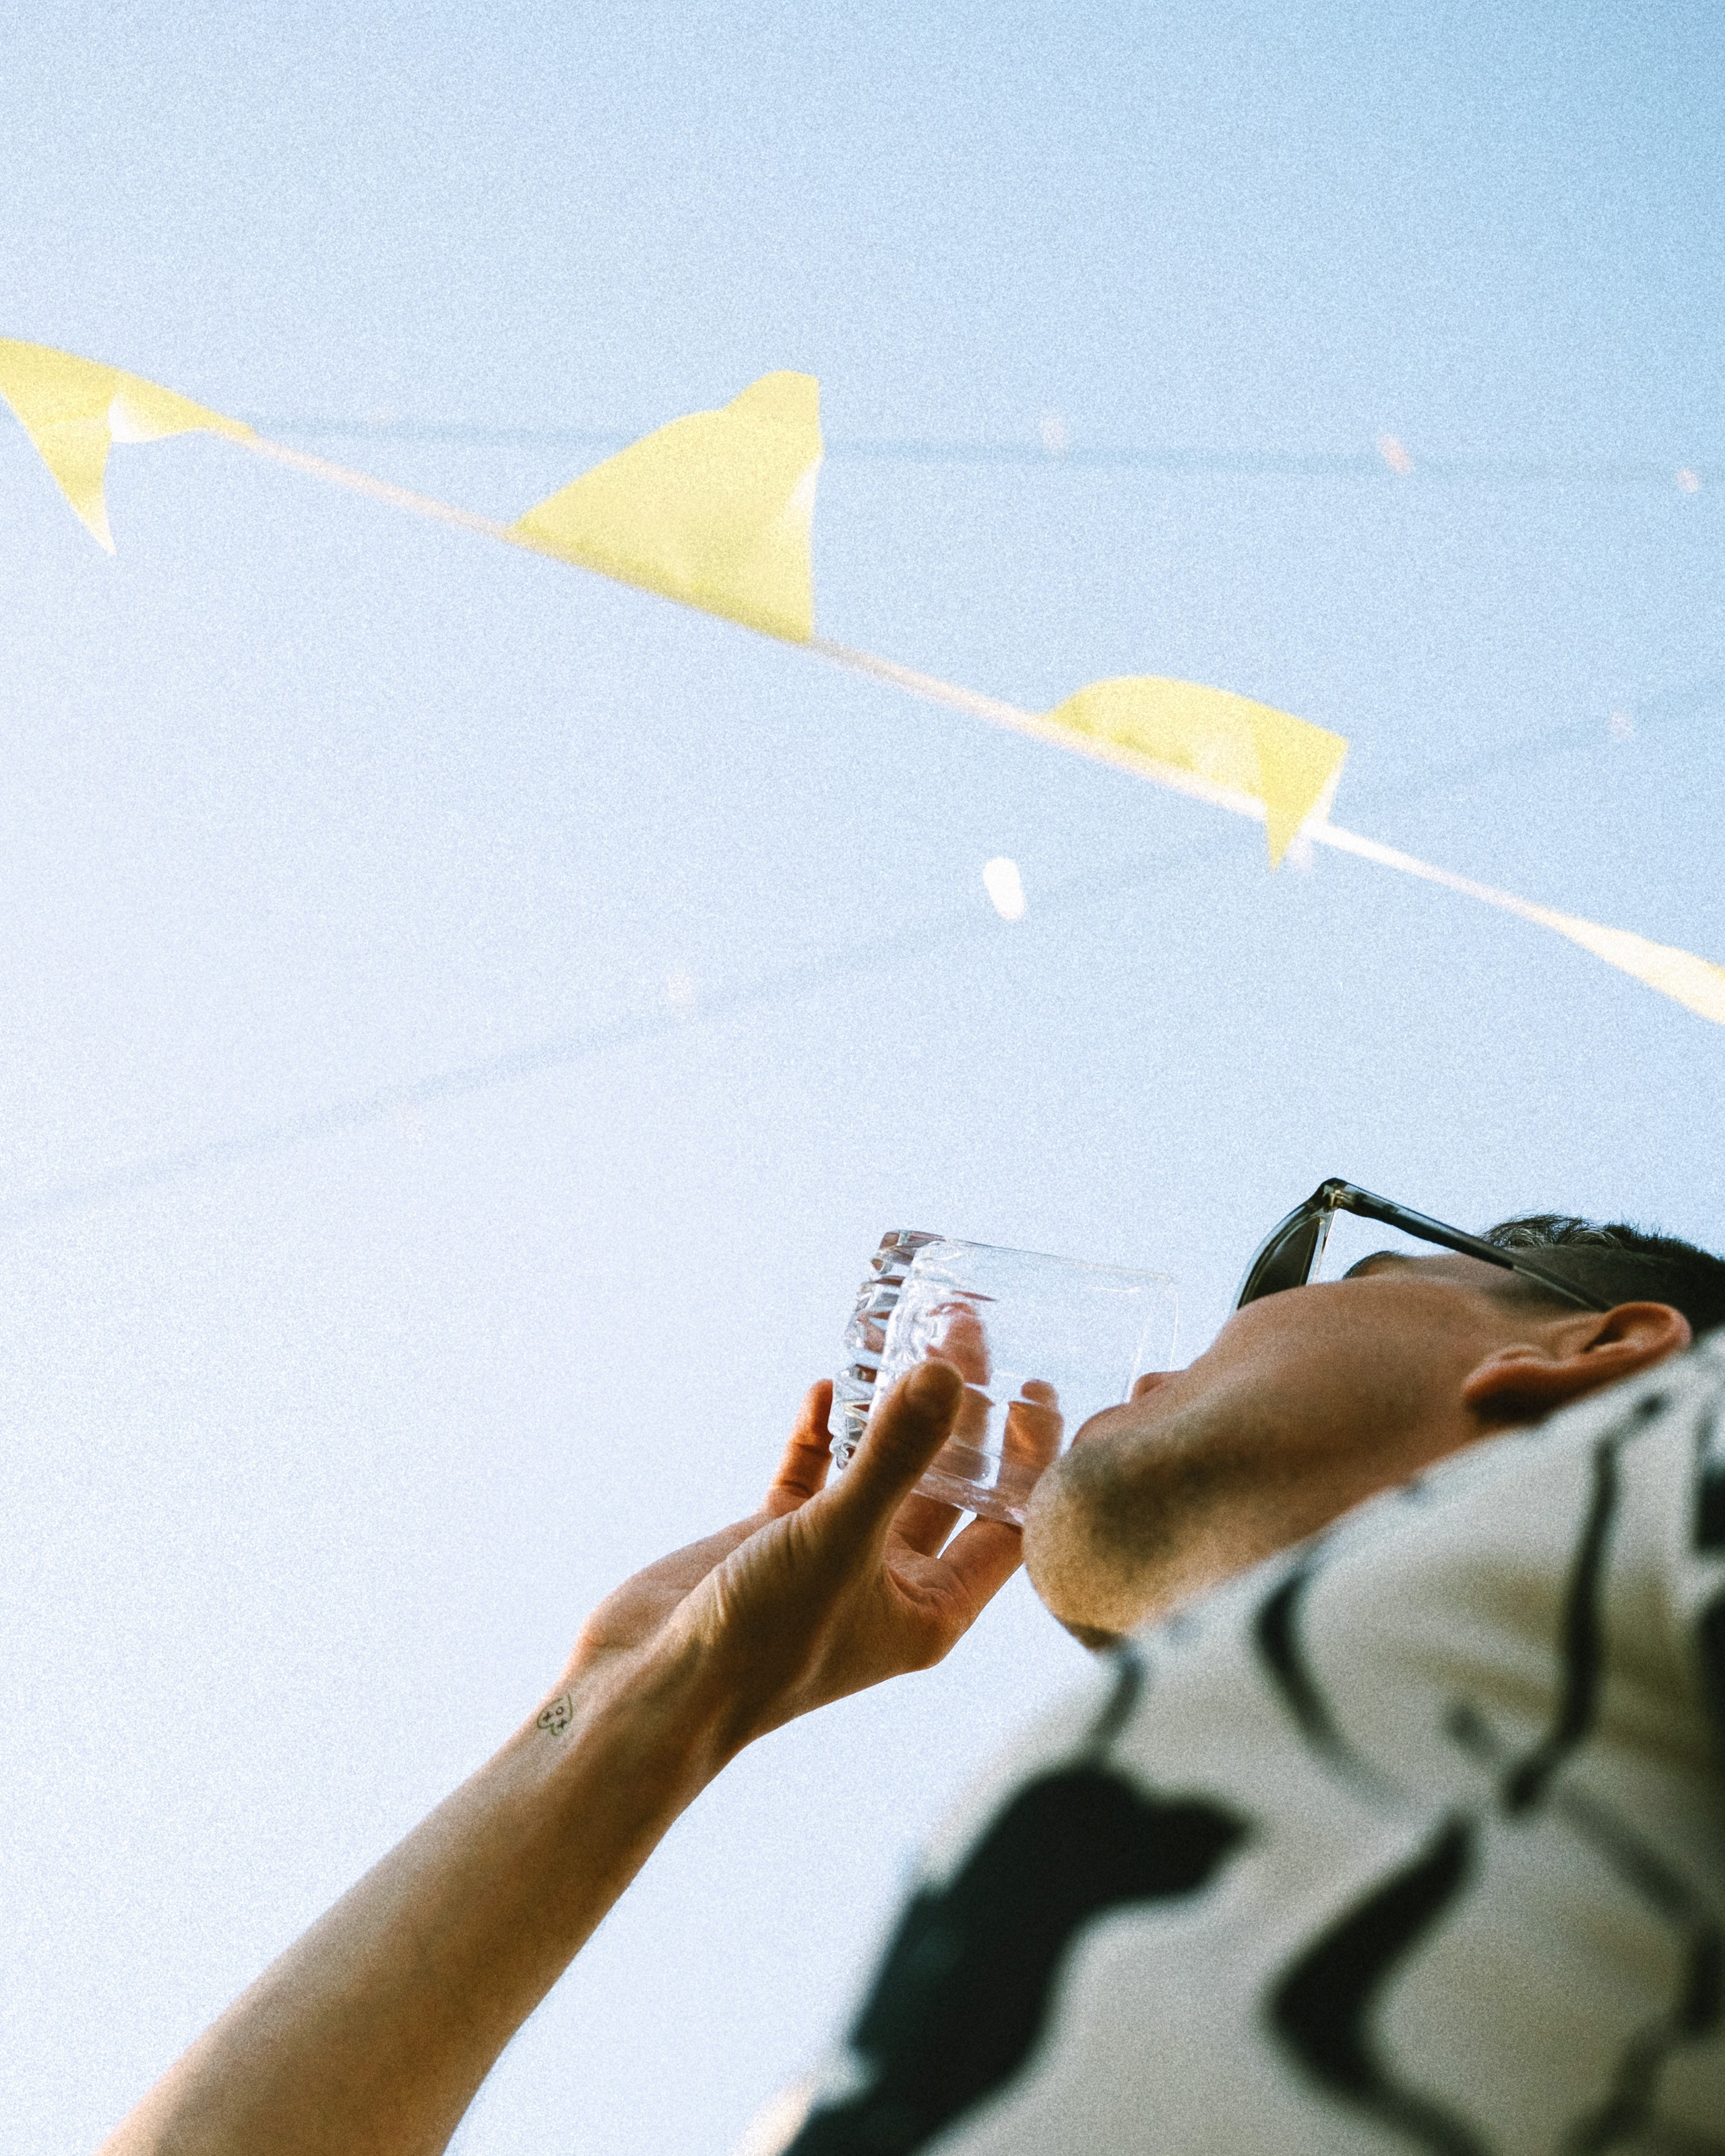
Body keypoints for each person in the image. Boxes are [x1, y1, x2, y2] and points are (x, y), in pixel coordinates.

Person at [98, 1199, 1725, 2156]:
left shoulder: (1672, 1472)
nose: (1179, 1354)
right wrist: (652, 1706)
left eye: (1320, 1274)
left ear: (1589, 1351)